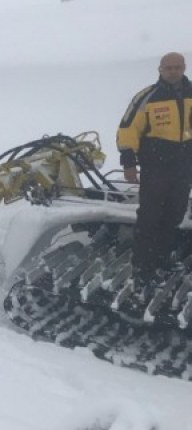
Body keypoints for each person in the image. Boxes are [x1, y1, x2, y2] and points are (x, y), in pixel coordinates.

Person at [117, 52, 192, 288]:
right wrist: (128, 162)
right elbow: (128, 128)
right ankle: (143, 266)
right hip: (156, 166)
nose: (173, 71)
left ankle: (162, 259)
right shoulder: (147, 96)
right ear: (160, 69)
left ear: (184, 68)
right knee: (150, 216)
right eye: (168, 67)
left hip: (184, 165)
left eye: (177, 67)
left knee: (174, 215)